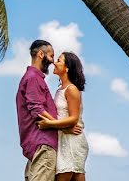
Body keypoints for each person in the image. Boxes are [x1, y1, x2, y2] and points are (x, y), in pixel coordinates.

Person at [16, 40, 82, 181]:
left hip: (39, 144)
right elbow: (36, 108)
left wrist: (58, 127)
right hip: (42, 144)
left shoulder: (34, 78)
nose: (52, 61)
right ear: (41, 54)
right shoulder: (33, 78)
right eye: (52, 56)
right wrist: (63, 127)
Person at [37, 52, 89, 181]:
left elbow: (74, 119)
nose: (54, 63)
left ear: (67, 68)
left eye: (59, 61)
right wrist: (61, 128)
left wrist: (49, 124)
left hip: (72, 141)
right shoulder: (60, 89)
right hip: (64, 137)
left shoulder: (71, 89)